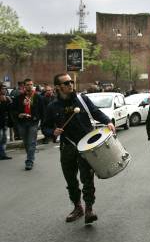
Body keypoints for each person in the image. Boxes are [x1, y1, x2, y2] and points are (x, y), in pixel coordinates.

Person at [42, 73, 116, 224]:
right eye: (66, 83)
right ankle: (77, 207)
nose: (70, 84)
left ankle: (89, 209)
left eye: (71, 81)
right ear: (58, 87)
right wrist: (52, 132)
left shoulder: (82, 99)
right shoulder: (52, 106)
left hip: (86, 146)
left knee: (87, 179)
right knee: (71, 181)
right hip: (67, 147)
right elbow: (45, 127)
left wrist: (108, 121)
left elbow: (95, 112)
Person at [13, 78, 44, 170]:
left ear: (33, 85)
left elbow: (42, 111)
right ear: (24, 86)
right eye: (27, 85)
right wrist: (19, 114)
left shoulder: (38, 97)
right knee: (26, 142)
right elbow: (13, 110)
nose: (29, 86)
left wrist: (41, 122)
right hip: (22, 123)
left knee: (31, 142)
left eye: (31, 84)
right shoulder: (19, 97)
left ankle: (29, 161)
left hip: (33, 122)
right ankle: (30, 156)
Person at [0, 84, 13, 160]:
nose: (4, 90)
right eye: (3, 89)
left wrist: (10, 101)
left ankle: (3, 153)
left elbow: (9, 110)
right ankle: (2, 154)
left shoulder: (6, 99)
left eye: (5, 89)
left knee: (4, 139)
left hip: (4, 122)